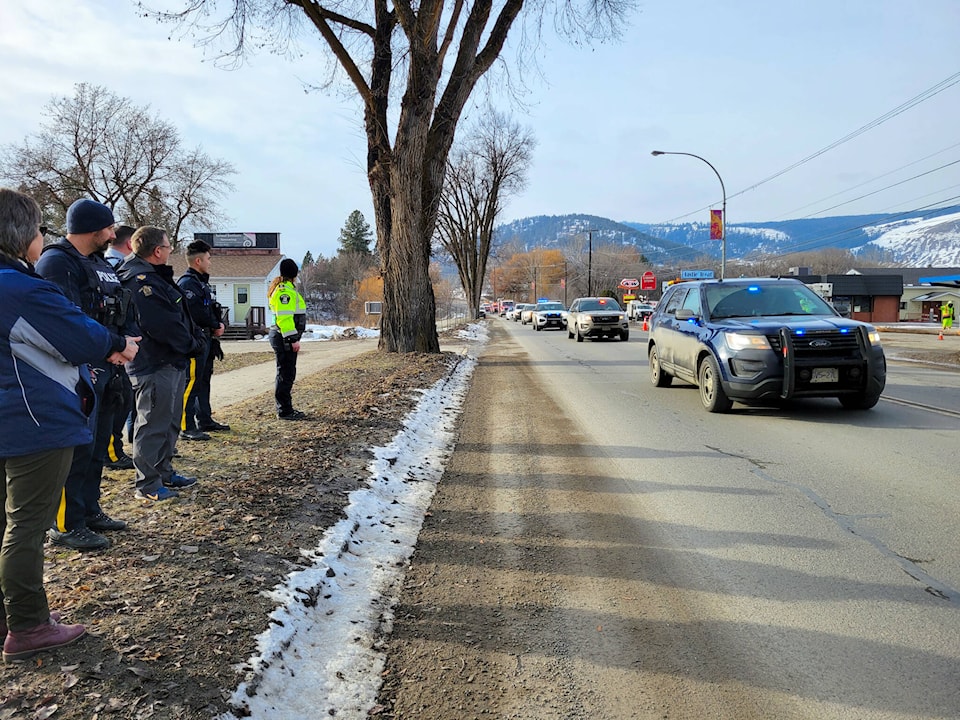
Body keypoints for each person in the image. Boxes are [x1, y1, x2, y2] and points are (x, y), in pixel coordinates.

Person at [0, 188, 138, 661]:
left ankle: (10, 615)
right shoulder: (19, 287)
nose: (43, 237)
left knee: (7, 521)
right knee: (27, 525)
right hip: (32, 420)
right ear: (20, 235)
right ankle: (29, 625)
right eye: (38, 228)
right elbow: (76, 334)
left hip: (13, 418)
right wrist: (116, 343)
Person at [35, 199, 141, 551]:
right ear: (94, 230)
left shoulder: (98, 263)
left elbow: (118, 306)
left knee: (96, 445)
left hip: (108, 364)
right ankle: (66, 523)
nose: (114, 235)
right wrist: (108, 347)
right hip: (80, 369)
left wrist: (123, 342)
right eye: (109, 229)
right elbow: (66, 323)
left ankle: (89, 509)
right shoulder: (57, 263)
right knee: (78, 448)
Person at [117, 227, 204, 502]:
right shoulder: (140, 280)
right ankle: (148, 484)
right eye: (168, 247)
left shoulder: (156, 277)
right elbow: (162, 324)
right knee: (153, 423)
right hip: (154, 362)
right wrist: (193, 344)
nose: (169, 252)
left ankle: (164, 472)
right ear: (157, 251)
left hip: (171, 361)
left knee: (168, 421)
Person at [177, 240, 229, 441]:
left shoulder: (201, 282)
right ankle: (186, 426)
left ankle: (204, 419)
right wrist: (215, 325)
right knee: (191, 383)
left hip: (207, 338)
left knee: (203, 381)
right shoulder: (188, 283)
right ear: (197, 260)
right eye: (208, 259)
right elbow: (195, 313)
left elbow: (208, 308)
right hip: (196, 340)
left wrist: (216, 325)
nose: (210, 262)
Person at [103, 225, 136, 470]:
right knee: (116, 401)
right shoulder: (116, 268)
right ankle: (112, 452)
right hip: (112, 348)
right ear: (131, 245)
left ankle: (113, 449)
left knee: (122, 399)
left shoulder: (106, 266)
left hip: (120, 344)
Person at [268, 258, 308, 420]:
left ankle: (286, 407)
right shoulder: (285, 292)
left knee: (287, 372)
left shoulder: (286, 289)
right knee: (285, 373)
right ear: (294, 273)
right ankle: (284, 410)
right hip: (284, 338)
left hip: (282, 336)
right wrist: (292, 339)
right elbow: (285, 318)